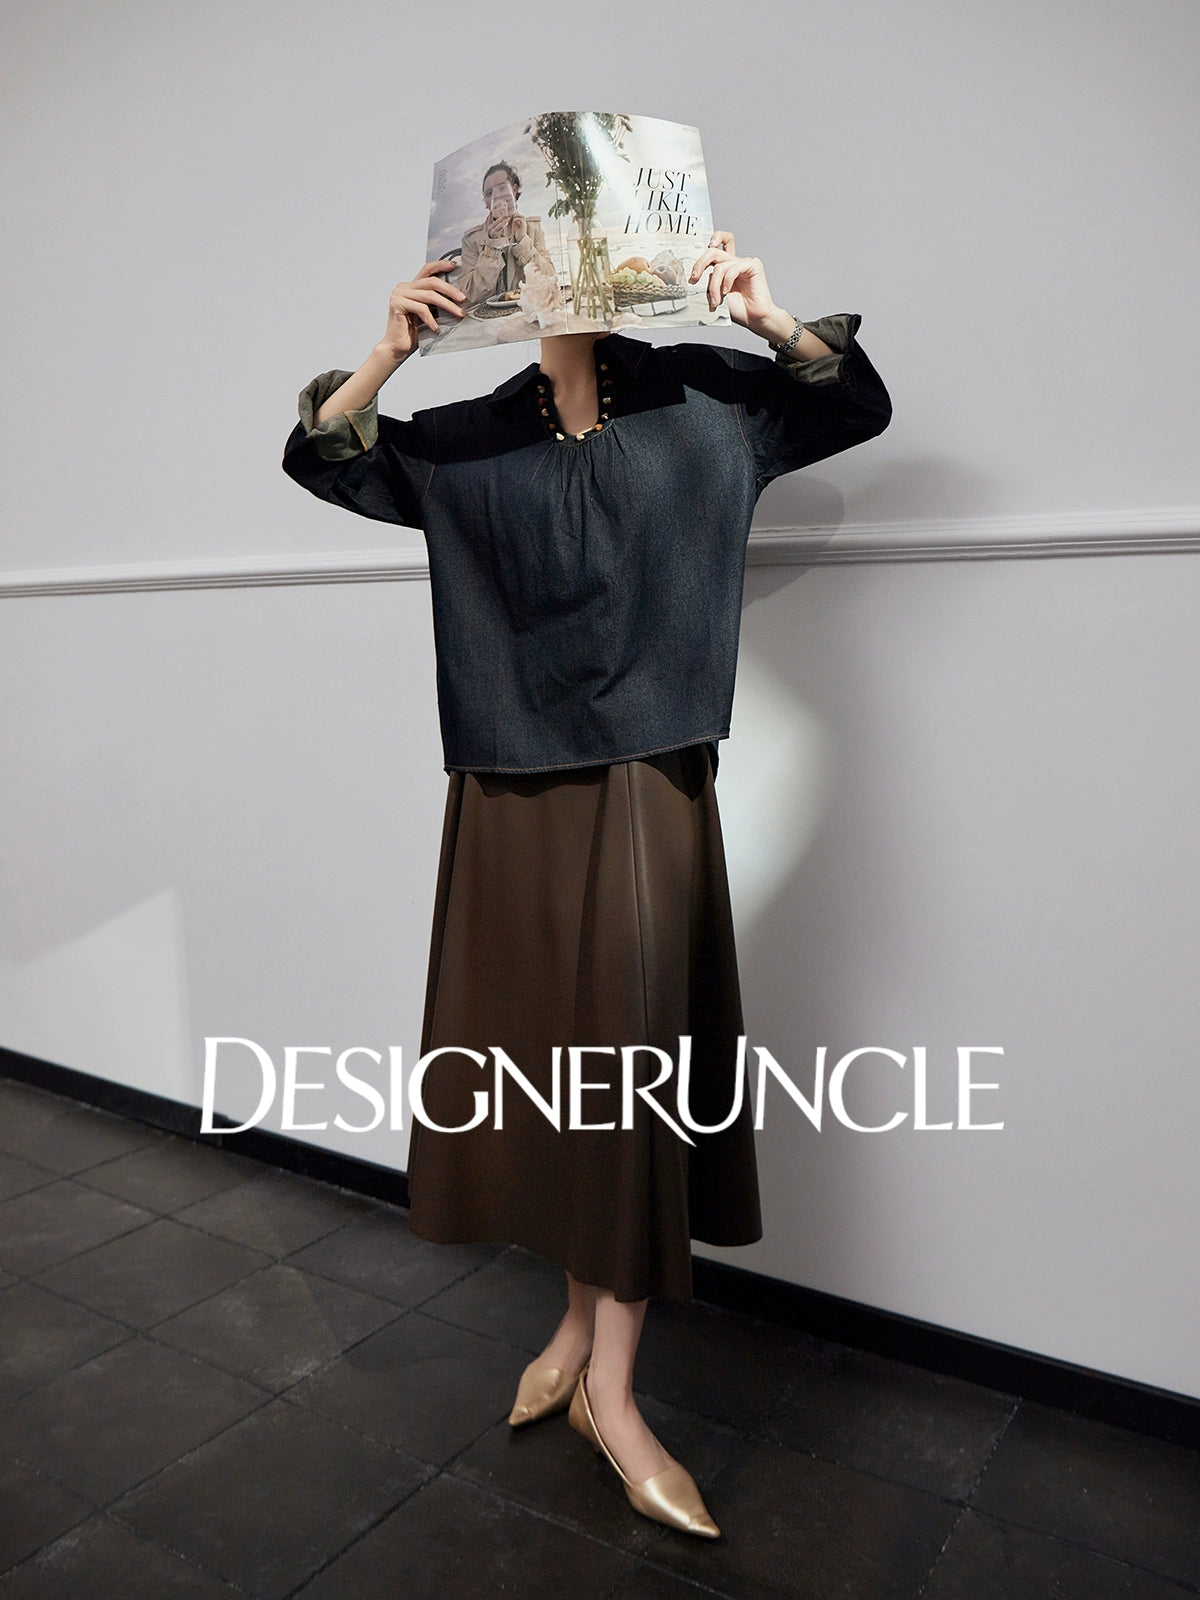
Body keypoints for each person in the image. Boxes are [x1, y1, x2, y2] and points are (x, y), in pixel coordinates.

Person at [282, 230, 891, 1538]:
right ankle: (573, 1337)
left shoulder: (712, 402)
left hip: (647, 785)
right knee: (559, 1086)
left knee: (626, 1087)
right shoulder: (468, 437)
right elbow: (327, 457)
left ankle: (611, 1390)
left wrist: (767, 318)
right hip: (509, 794)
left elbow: (850, 404)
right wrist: (388, 351)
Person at [454, 160, 558, 306]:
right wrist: (491, 247)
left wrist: (522, 242)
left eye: (502, 187)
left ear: (514, 190)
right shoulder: (471, 239)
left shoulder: (533, 228)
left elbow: (549, 281)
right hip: (486, 315)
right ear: (486, 202)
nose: (497, 196)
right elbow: (471, 295)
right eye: (489, 193)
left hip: (526, 310)